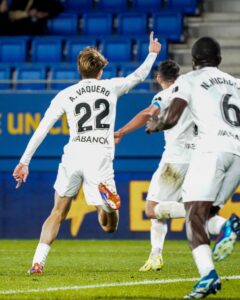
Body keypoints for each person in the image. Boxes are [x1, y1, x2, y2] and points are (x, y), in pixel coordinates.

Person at [13, 32, 161, 274]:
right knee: (108, 226)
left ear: (79, 71)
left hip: (73, 153)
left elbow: (42, 129)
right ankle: (110, 206)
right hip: (99, 155)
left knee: (58, 211)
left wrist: (24, 162)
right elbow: (139, 75)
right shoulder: (111, 87)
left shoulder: (66, 94)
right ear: (100, 71)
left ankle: (38, 262)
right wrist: (152, 53)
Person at [114, 60, 227, 273]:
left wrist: (121, 132)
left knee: (152, 209)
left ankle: (193, 217)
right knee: (162, 209)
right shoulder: (195, 89)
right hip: (201, 158)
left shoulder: (165, 95)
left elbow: (148, 113)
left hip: (175, 162)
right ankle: (156, 254)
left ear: (159, 79)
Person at [154, 37, 240, 298]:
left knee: (192, 218)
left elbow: (171, 117)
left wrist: (155, 125)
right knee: (205, 216)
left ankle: (208, 277)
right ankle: (227, 226)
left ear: (193, 61)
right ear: (219, 60)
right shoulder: (236, 83)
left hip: (211, 151)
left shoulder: (189, 80)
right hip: (237, 154)